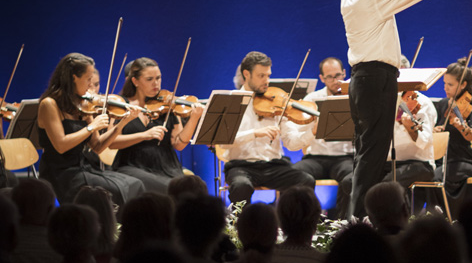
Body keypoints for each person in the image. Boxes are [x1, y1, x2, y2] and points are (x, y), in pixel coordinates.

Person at [341, 0, 461, 218]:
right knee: (372, 156)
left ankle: (359, 219)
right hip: (375, 79)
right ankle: (359, 221)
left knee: (366, 153)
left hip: (363, 79)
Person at [37, 52, 145, 206]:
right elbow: (61, 145)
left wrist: (123, 123)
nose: (91, 86)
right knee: (116, 190)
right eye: (88, 79)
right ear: (74, 77)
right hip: (61, 173)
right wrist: (91, 127)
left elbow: (97, 146)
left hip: (85, 168)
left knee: (135, 184)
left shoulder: (83, 104)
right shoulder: (49, 104)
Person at [222, 51, 315, 204]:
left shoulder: (276, 101)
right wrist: (254, 133)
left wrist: (312, 132)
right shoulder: (231, 101)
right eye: (261, 76)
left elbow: (291, 143)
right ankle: (241, 220)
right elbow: (224, 142)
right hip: (241, 166)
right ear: (246, 74)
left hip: (273, 166)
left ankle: (288, 217)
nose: (267, 81)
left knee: (305, 180)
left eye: (268, 75)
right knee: (241, 186)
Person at [109, 56, 203, 193]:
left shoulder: (167, 104)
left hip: (167, 166)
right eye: (149, 79)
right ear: (135, 81)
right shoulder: (122, 105)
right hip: (132, 165)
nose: (156, 83)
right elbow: (112, 142)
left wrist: (194, 119)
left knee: (196, 188)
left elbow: (179, 144)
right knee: (170, 188)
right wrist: (144, 135)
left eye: (158, 78)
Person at [290, 57, 355, 218]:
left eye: (338, 75)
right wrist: (313, 130)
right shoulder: (311, 99)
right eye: (330, 77)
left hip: (344, 158)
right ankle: (309, 220)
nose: (335, 81)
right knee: (294, 174)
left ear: (344, 73)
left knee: (352, 179)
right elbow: (298, 133)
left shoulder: (354, 98)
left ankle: (343, 222)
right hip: (316, 158)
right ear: (322, 78)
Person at [433, 61, 472, 215]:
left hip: (463, 159)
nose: (445, 88)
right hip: (443, 160)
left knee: (436, 177)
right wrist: (436, 130)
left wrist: (461, 127)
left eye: (450, 84)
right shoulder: (443, 104)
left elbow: (470, 135)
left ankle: (451, 217)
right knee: (431, 175)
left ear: (463, 85)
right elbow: (436, 129)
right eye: (444, 83)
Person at [383, 85, 437, 194]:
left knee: (386, 186)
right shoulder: (385, 99)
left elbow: (425, 141)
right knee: (354, 182)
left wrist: (410, 129)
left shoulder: (422, 102)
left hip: (419, 163)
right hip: (388, 163)